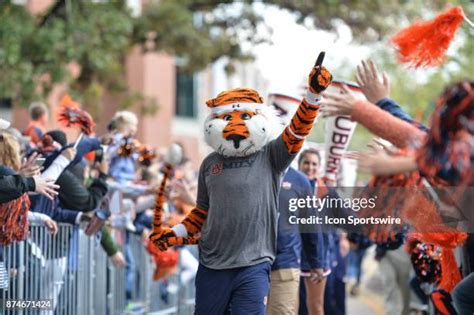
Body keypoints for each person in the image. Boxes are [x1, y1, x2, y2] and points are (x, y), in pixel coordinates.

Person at [150, 53, 333, 314]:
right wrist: (173, 234)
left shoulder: (271, 155)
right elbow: (201, 213)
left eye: (244, 118)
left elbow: (296, 132)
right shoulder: (209, 163)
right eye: (227, 119)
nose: (235, 127)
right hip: (212, 265)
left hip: (254, 265)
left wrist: (313, 96)